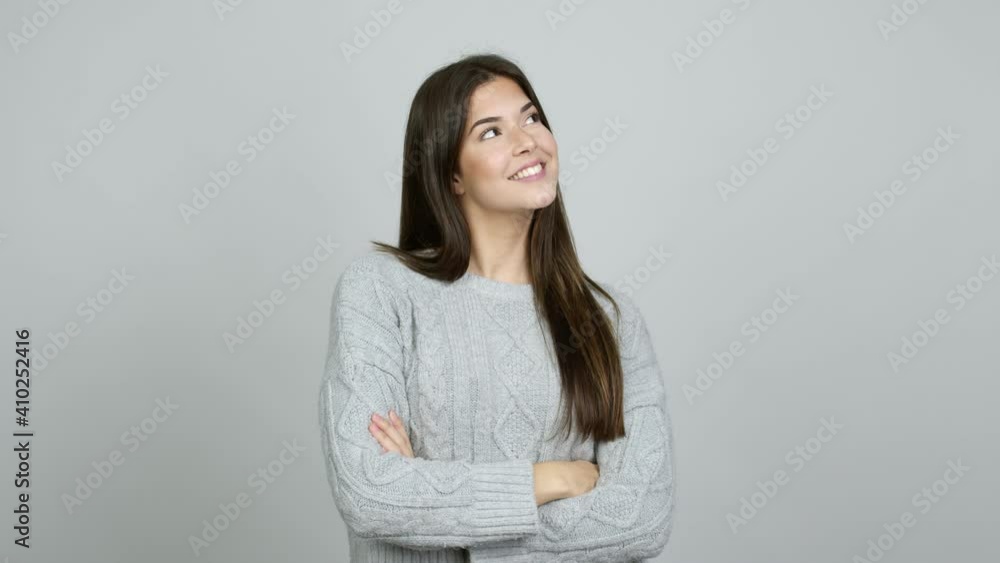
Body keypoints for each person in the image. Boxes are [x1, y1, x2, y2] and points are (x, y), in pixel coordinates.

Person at [318, 52, 675, 562]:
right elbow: (370, 493)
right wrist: (555, 479)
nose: (528, 140)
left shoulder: (608, 322)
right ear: (451, 176)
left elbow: (641, 517)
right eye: (491, 132)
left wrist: (438, 507)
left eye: (531, 118)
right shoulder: (380, 291)